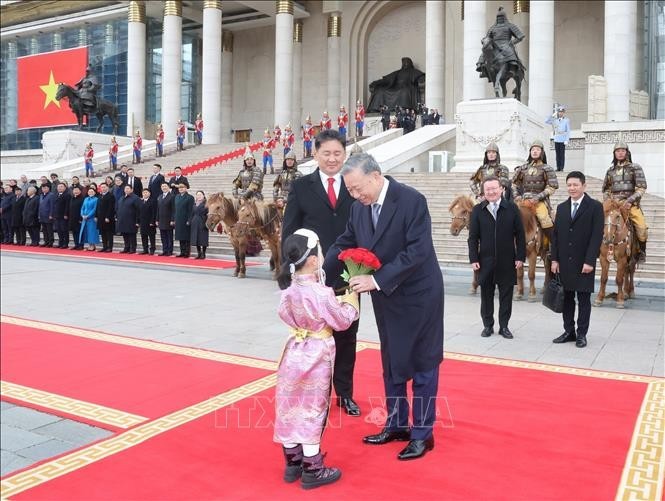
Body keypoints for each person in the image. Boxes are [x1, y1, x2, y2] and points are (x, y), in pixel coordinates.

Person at [324, 152, 444, 461]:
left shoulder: (411, 201)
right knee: (392, 361)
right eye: (349, 190)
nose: (354, 195)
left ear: (376, 176)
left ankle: (422, 433)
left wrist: (376, 281)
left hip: (418, 295)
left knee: (422, 364)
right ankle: (397, 423)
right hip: (387, 298)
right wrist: (320, 270)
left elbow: (417, 251)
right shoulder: (359, 209)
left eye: (357, 188)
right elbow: (346, 241)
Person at [282, 129, 361, 417]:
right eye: (326, 153)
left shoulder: (355, 185)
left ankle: (345, 393)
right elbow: (289, 230)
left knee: (347, 335)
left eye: (337, 153)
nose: (332, 158)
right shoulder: (302, 187)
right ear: (315, 153)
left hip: (348, 275)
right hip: (311, 276)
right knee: (315, 339)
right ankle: (319, 393)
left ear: (345, 155)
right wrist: (287, 268)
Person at [274, 229, 359, 489]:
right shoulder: (322, 293)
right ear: (313, 260)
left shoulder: (287, 289)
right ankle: (313, 469)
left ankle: (293, 464)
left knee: (289, 406)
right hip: (317, 354)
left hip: (293, 351)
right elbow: (341, 321)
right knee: (312, 408)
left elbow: (283, 313)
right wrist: (351, 303)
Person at [551, 171, 604, 348]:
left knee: (583, 300)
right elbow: (556, 236)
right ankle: (569, 331)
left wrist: (590, 261)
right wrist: (554, 259)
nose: (572, 188)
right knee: (566, 298)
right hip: (564, 262)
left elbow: (597, 237)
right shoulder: (561, 208)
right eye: (569, 185)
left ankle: (582, 334)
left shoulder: (595, 207)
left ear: (584, 186)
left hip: (584, 263)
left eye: (575, 185)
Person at [468, 177, 526, 339]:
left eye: (494, 188)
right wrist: (473, 258)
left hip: (507, 260)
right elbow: (473, 237)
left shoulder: (512, 208)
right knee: (486, 296)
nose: (491, 192)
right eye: (487, 190)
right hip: (485, 261)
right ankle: (488, 326)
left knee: (506, 296)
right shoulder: (478, 210)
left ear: (501, 189)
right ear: (483, 192)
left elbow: (520, 235)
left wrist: (520, 256)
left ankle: (504, 326)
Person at [601, 141, 648, 263]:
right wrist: (608, 200)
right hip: (613, 204)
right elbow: (606, 189)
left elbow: (641, 188)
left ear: (627, 152)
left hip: (629, 203)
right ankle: (597, 249)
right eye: (617, 151)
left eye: (623, 150)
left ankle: (641, 252)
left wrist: (631, 200)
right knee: (595, 222)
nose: (620, 153)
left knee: (642, 228)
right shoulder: (610, 170)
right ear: (614, 153)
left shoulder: (635, 167)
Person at [512, 139, 558, 243]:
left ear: (542, 152)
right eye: (533, 149)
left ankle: (552, 247)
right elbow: (514, 184)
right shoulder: (523, 168)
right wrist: (516, 196)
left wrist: (538, 197)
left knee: (544, 219)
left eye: (537, 149)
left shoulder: (547, 168)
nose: (535, 151)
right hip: (523, 200)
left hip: (540, 201)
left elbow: (552, 187)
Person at [116, 185, 141, 253]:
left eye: (128, 188)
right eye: (125, 188)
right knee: (125, 234)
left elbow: (138, 210)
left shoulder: (135, 198)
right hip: (122, 220)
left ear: (131, 190)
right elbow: (118, 208)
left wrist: (137, 221)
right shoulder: (122, 198)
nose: (126, 190)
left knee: (132, 235)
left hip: (132, 220)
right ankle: (126, 247)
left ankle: (133, 248)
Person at [545, 106, 571, 171]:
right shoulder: (555, 120)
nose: (560, 113)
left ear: (564, 113)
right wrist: (552, 115)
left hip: (563, 139)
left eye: (562, 112)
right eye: (559, 112)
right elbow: (546, 121)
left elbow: (568, 131)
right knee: (557, 154)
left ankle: (561, 167)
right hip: (556, 138)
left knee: (562, 154)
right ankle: (558, 167)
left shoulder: (566, 120)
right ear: (558, 112)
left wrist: (567, 140)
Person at [174, 183, 194, 258]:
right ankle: (182, 251)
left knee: (186, 237)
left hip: (186, 220)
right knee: (180, 237)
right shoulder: (177, 197)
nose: (181, 189)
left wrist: (189, 219)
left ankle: (186, 252)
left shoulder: (190, 197)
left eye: (182, 187)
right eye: (179, 188)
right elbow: (175, 209)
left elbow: (191, 210)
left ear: (186, 188)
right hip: (178, 219)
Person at [157, 182, 176, 256]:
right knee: (163, 236)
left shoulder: (172, 196)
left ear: (168, 187)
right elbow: (158, 209)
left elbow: (174, 209)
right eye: (162, 186)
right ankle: (164, 250)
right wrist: (157, 219)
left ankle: (169, 251)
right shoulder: (160, 196)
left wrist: (172, 220)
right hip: (161, 220)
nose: (164, 187)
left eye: (165, 186)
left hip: (169, 220)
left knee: (169, 236)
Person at [189, 190, 209, 259]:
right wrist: (190, 221)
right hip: (195, 222)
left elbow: (208, 213)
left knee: (203, 239)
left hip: (203, 221)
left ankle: (203, 253)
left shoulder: (206, 204)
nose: (199, 196)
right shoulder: (194, 204)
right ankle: (199, 253)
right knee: (196, 238)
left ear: (203, 196)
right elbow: (192, 213)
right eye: (197, 195)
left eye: (200, 195)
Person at [97, 182, 116, 252]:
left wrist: (108, 217)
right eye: (102, 187)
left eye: (104, 187)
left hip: (108, 218)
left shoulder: (111, 196)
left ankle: (109, 247)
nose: (103, 188)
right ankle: (104, 246)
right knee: (103, 233)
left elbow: (111, 208)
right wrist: (96, 216)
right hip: (100, 218)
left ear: (107, 187)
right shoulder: (100, 196)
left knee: (109, 234)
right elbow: (97, 207)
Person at [80, 187, 100, 251]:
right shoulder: (86, 199)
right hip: (84, 218)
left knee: (92, 232)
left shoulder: (96, 199)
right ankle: (89, 244)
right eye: (89, 192)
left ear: (94, 193)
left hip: (91, 218)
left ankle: (92, 245)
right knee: (86, 231)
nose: (90, 193)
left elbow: (94, 209)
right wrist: (82, 214)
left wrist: (88, 216)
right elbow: (82, 207)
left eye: (92, 192)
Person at [138, 188, 157, 255]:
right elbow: (138, 212)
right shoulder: (141, 201)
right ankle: (145, 249)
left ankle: (152, 249)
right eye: (144, 193)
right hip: (142, 222)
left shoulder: (153, 201)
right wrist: (138, 221)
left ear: (149, 193)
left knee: (151, 236)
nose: (145, 194)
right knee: (143, 236)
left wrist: (152, 221)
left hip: (150, 222)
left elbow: (154, 212)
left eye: (146, 192)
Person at [52, 182, 70, 248]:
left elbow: (67, 206)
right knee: (59, 230)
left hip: (63, 216)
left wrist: (66, 214)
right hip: (57, 215)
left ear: (65, 188)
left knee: (64, 230)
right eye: (58, 187)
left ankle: (66, 243)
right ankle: (61, 242)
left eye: (61, 187)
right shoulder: (56, 195)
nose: (59, 188)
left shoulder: (67, 195)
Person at [68, 186, 85, 250]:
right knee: (74, 232)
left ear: (80, 191)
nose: (75, 191)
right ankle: (76, 244)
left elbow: (83, 209)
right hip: (72, 219)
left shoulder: (82, 198)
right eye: (74, 190)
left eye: (77, 190)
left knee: (80, 232)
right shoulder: (72, 198)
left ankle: (81, 245)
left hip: (79, 219)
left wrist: (81, 218)